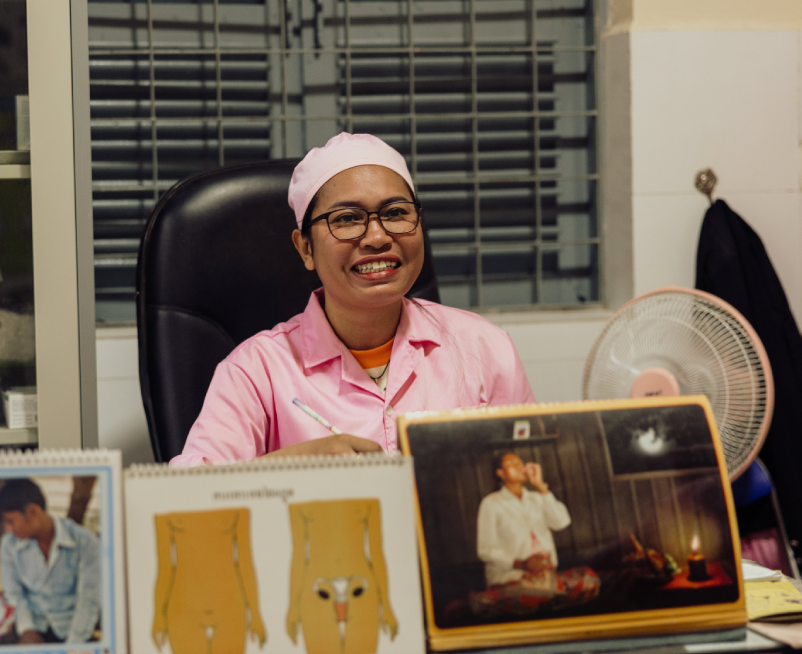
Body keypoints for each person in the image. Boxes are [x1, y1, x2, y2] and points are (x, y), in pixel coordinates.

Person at [172, 132, 534, 465]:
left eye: (395, 213)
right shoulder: (255, 372)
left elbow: (536, 475)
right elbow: (184, 503)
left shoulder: (483, 348)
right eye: (346, 218)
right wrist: (293, 464)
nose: (377, 236)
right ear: (306, 248)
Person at [0, 478, 101, 645]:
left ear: (33, 512)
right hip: (34, 630)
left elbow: (89, 599)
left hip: (76, 631)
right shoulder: (9, 544)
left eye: (10, 521)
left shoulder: (84, 541)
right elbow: (14, 593)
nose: (8, 529)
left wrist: (73, 646)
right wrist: (27, 629)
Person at [476, 452, 572, 588]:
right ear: (500, 473)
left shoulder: (538, 498)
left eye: (521, 463)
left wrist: (541, 486)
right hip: (509, 575)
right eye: (511, 464)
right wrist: (521, 564)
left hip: (545, 573)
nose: (519, 466)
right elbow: (485, 549)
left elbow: (562, 522)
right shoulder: (491, 503)